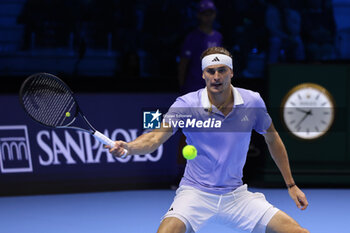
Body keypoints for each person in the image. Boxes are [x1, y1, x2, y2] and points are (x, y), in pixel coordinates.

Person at [108, 46, 309, 233]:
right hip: (194, 194)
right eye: (211, 71)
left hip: (236, 196)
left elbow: (272, 139)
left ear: (231, 72)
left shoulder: (252, 102)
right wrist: (129, 147)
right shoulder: (186, 104)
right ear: (203, 74)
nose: (216, 77)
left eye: (222, 70)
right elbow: (154, 137)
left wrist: (291, 185)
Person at [178, 0, 223, 93]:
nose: (208, 17)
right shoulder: (192, 37)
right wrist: (182, 87)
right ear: (199, 15)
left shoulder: (218, 37)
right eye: (204, 14)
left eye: (210, 14)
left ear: (215, 15)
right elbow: (183, 64)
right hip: (194, 87)